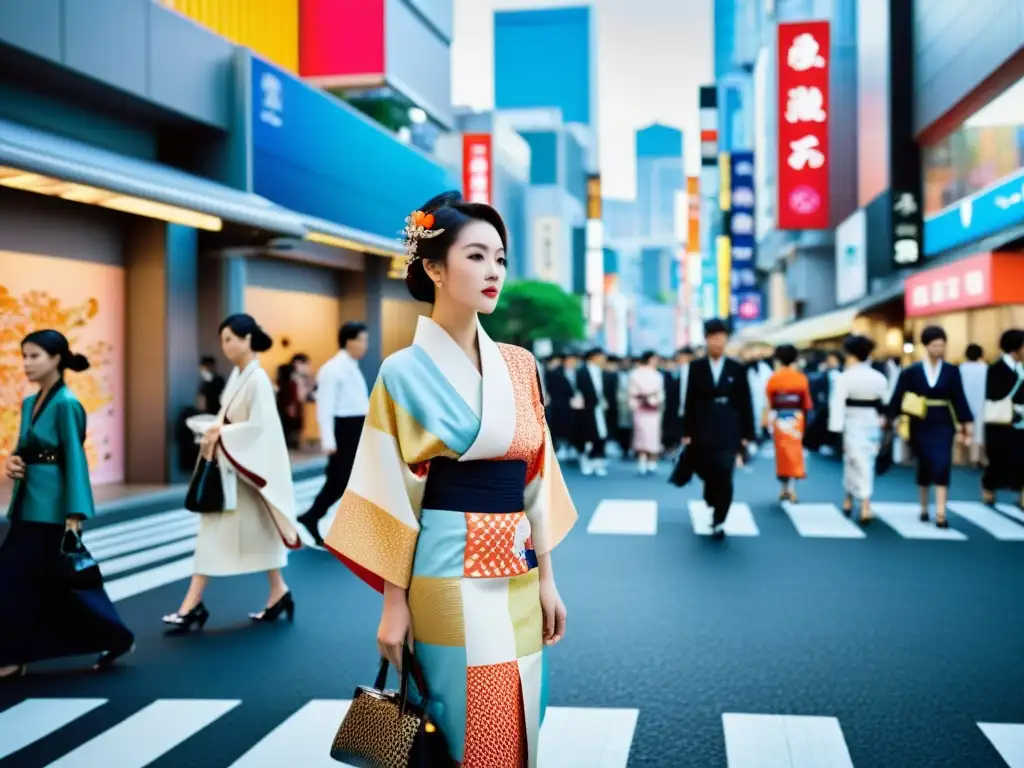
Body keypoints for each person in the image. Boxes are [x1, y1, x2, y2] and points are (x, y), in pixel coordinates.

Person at [323, 192, 577, 768]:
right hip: (443, 569)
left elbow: (537, 479)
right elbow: (390, 492)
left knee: (520, 714)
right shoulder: (402, 371)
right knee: (465, 720)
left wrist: (548, 580)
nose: (494, 272)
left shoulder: (519, 365)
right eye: (477, 256)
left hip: (516, 565)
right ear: (434, 268)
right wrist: (394, 604)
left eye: (501, 258)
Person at [0, 330, 134, 678]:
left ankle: (14, 658)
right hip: (27, 505)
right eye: (24, 356)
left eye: (34, 356)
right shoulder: (31, 403)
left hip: (54, 511)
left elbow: (75, 460)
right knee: (38, 584)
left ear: (56, 359)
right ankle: (111, 637)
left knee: (38, 582)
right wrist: (12, 462)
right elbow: (24, 448)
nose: (27, 364)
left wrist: (75, 515)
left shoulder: (67, 404)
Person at [163, 314, 301, 629]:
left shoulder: (256, 379)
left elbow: (261, 428)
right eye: (223, 339)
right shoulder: (243, 376)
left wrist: (220, 433)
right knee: (258, 534)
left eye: (230, 338)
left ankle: (192, 605)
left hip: (240, 472)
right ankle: (278, 591)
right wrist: (218, 430)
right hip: (239, 471)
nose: (225, 345)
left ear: (247, 339)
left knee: (213, 535)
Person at [888, 325, 974, 528]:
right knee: (924, 464)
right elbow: (898, 396)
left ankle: (941, 512)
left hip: (943, 422)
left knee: (942, 464)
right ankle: (924, 507)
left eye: (942, 345)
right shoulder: (912, 371)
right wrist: (893, 418)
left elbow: (959, 398)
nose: (939, 349)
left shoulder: (952, 371)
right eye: (935, 345)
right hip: (920, 422)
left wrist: (966, 426)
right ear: (926, 346)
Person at [296, 322, 370, 546]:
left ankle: (322, 519)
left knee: (352, 481)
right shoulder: (333, 368)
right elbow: (324, 407)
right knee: (338, 482)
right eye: (363, 340)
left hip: (356, 428)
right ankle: (312, 516)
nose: (365, 346)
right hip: (344, 430)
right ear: (350, 341)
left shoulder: (351, 366)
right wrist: (328, 439)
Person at [682, 319, 755, 539]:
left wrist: (747, 434)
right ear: (706, 339)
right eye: (713, 337)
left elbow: (745, 401)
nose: (718, 342)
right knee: (708, 470)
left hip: (729, 427)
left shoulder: (737, 368)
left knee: (725, 471)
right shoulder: (696, 367)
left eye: (722, 337)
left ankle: (719, 518)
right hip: (702, 426)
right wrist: (686, 431)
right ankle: (710, 497)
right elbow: (690, 400)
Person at [829, 335, 890, 523]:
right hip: (872, 421)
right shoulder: (879, 377)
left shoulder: (844, 377)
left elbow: (837, 404)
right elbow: (885, 402)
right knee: (865, 460)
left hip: (851, 421)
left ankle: (861, 500)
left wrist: (835, 430)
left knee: (854, 460)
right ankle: (855, 498)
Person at [981, 329, 1024, 507]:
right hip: (1000, 422)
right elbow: (993, 394)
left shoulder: (1021, 368)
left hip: (1021, 421)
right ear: (1015, 348)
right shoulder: (996, 368)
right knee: (999, 459)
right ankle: (989, 486)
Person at [765, 344, 813, 502]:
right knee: (795, 453)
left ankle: (784, 487)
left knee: (782, 454)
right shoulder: (801, 378)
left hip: (779, 418)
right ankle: (791, 488)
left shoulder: (773, 379)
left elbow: (770, 402)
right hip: (797, 418)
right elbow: (806, 403)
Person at [628, 351, 665, 475]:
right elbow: (632, 392)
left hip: (653, 410)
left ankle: (652, 461)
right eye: (654, 359)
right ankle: (642, 460)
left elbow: (660, 392)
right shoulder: (635, 374)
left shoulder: (657, 375)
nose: (656, 361)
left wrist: (656, 400)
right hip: (641, 408)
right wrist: (641, 400)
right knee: (641, 434)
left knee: (653, 434)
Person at [575, 348, 610, 476]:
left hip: (599, 408)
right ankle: (586, 462)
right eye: (601, 356)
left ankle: (598, 463)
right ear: (594, 357)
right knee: (587, 436)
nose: (604, 359)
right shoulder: (581, 371)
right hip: (586, 409)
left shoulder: (602, 371)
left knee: (601, 435)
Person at [959, 343, 988, 467]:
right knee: (980, 432)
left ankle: (964, 459)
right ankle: (980, 458)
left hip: (964, 402)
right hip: (982, 402)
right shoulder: (985, 368)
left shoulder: (961, 368)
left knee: (965, 431)